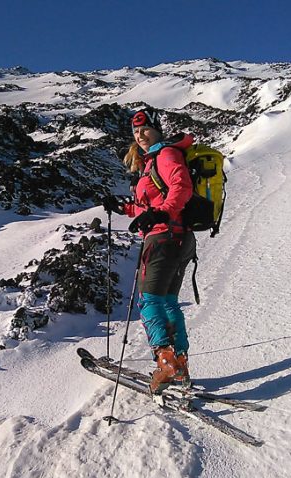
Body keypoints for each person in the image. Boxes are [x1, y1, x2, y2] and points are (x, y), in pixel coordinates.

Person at [103, 108, 197, 393]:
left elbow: (182, 187)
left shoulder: (166, 155)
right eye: (135, 130)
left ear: (156, 129)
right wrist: (125, 207)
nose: (139, 135)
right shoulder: (151, 162)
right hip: (177, 238)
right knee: (168, 301)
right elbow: (151, 204)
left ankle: (166, 363)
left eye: (144, 129)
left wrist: (163, 215)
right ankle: (179, 362)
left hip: (164, 238)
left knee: (149, 301)